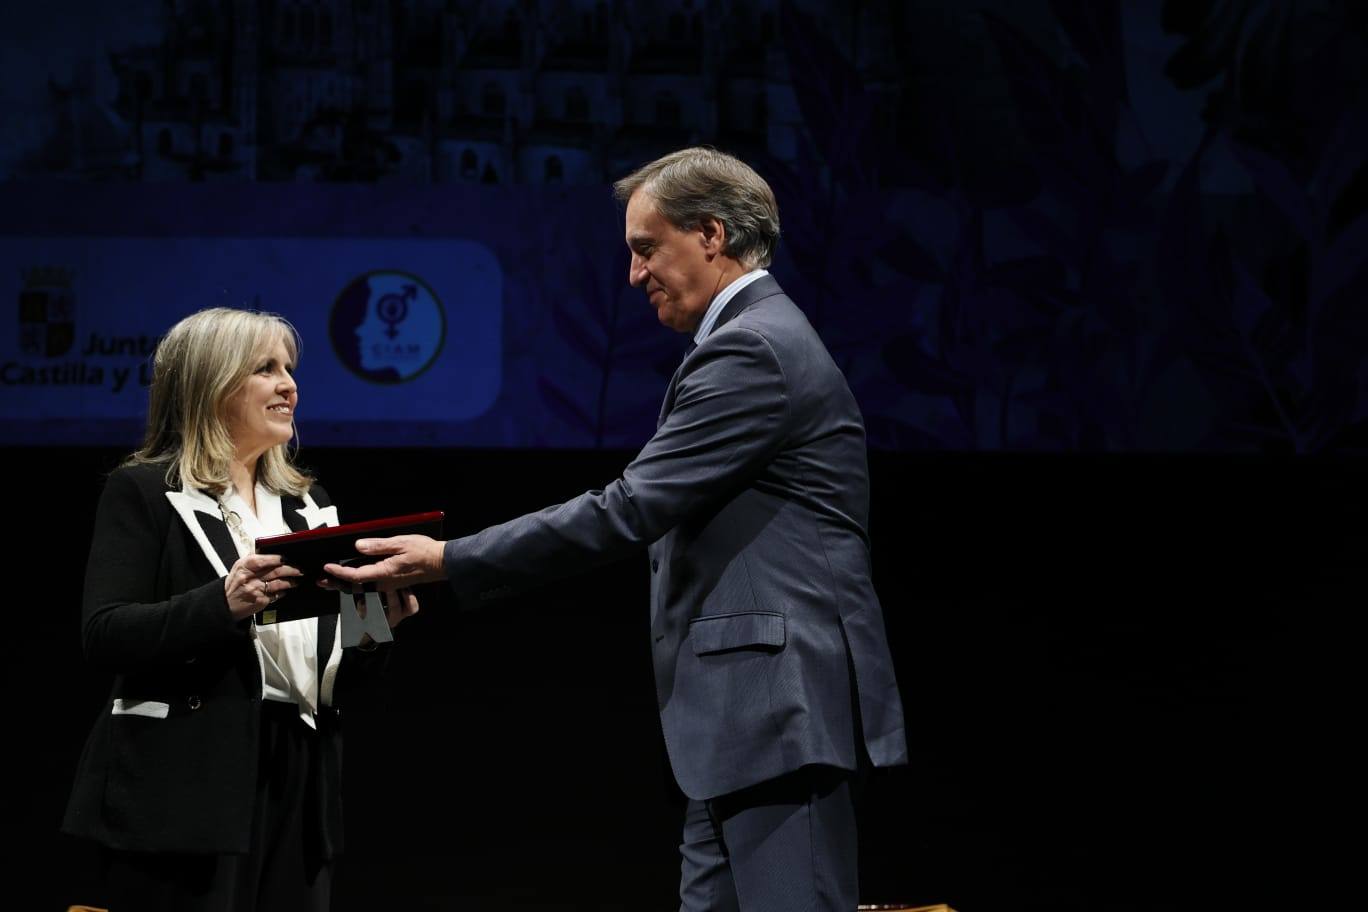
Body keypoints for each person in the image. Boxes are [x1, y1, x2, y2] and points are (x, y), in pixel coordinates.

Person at [326, 147, 908, 911]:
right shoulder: (752, 340)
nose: (634, 275)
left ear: (710, 234)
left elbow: (628, 509)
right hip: (740, 724)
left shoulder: (754, 348)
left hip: (777, 712)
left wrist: (449, 560)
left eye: (645, 248)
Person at [63, 307, 417, 912]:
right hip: (186, 781)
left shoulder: (307, 507)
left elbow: (323, 673)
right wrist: (221, 603)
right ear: (212, 383)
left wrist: (376, 621)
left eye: (289, 368)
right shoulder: (147, 491)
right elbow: (104, 633)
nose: (289, 384)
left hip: (298, 777)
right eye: (265, 369)